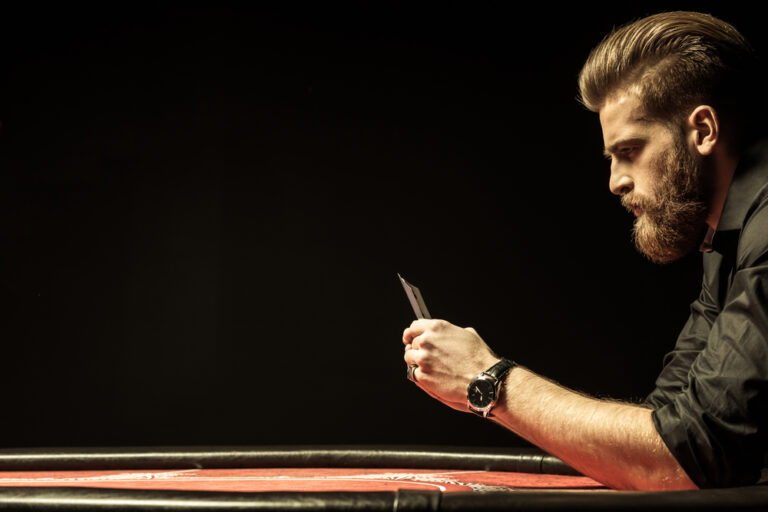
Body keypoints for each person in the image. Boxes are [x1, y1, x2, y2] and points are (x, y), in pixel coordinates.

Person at [402, 11, 768, 490]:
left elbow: (685, 459)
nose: (615, 182)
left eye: (630, 150)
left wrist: (487, 381)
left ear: (702, 130)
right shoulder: (725, 240)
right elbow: (666, 423)